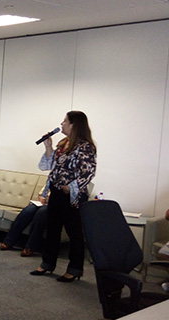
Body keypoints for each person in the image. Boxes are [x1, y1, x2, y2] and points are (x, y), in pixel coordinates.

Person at [30, 111, 97, 282]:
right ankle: (47, 264)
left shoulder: (85, 146)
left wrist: (71, 187)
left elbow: (88, 171)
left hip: (72, 195)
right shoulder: (63, 143)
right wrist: (48, 146)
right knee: (52, 229)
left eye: (65, 121)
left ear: (74, 124)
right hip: (57, 192)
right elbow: (49, 165)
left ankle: (74, 269)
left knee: (74, 232)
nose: (62, 123)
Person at [0, 188, 49, 257]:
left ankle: (30, 247)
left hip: (54, 207)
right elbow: (41, 194)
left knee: (41, 214)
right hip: (43, 204)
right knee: (27, 211)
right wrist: (41, 198)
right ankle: (8, 242)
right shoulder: (51, 180)